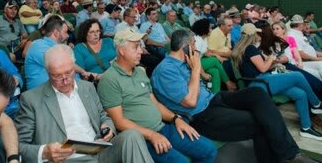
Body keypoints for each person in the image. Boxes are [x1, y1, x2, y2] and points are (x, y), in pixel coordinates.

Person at [151, 29, 315, 163]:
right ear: (185, 47)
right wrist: (196, 70)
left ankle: (289, 152)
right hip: (201, 115)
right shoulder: (166, 70)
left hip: (214, 99)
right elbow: (191, 102)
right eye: (194, 45)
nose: (196, 49)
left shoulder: (185, 62)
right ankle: (288, 156)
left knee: (258, 93)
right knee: (259, 121)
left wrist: (195, 68)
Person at [15, 44, 153, 163]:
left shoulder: (87, 88)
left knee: (132, 135)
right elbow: (17, 146)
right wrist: (44, 152)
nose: (65, 80)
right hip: (67, 159)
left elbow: (103, 116)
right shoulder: (31, 100)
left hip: (99, 150)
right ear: (47, 72)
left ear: (74, 66)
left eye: (69, 72)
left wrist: (108, 127)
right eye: (57, 75)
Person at [97, 30, 217, 163]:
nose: (141, 51)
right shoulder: (109, 80)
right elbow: (119, 122)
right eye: (135, 47)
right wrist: (152, 135)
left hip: (162, 127)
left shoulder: (140, 72)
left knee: (209, 150)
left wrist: (176, 118)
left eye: (140, 46)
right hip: (142, 139)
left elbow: (155, 103)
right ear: (122, 50)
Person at [233, 23, 322, 141]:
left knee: (300, 94)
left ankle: (306, 128)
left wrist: (274, 63)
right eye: (257, 33)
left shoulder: (244, 48)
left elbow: (259, 67)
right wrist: (271, 58)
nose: (259, 35)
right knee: (297, 75)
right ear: (253, 35)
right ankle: (316, 104)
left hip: (261, 79)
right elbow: (263, 68)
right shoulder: (250, 49)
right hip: (259, 83)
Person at [25, 15, 70, 89]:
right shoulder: (38, 45)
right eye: (65, 32)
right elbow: (59, 65)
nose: (67, 36)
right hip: (42, 94)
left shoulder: (59, 47)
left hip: (58, 89)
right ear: (56, 33)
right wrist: (82, 72)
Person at [191, 19, 235, 93]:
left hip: (201, 62)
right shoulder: (197, 40)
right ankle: (228, 83)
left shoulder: (204, 39)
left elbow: (206, 52)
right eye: (209, 28)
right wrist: (203, 74)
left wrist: (217, 56)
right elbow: (195, 60)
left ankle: (215, 96)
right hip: (193, 65)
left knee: (215, 71)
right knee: (214, 60)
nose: (211, 29)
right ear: (204, 29)